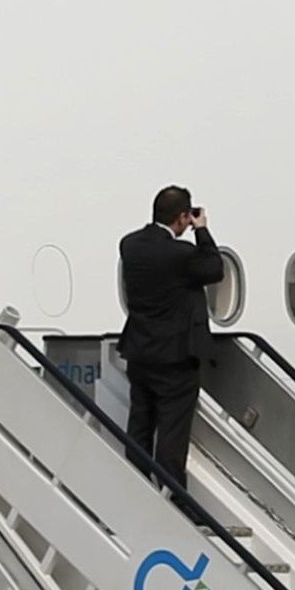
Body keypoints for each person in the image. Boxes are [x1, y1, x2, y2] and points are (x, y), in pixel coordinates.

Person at [115, 184, 221, 486]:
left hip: (140, 350)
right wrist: (202, 231)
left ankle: (135, 486)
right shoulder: (182, 254)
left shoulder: (130, 245)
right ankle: (173, 496)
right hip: (175, 357)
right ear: (183, 216)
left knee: (140, 424)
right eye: (188, 218)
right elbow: (214, 268)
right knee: (172, 433)